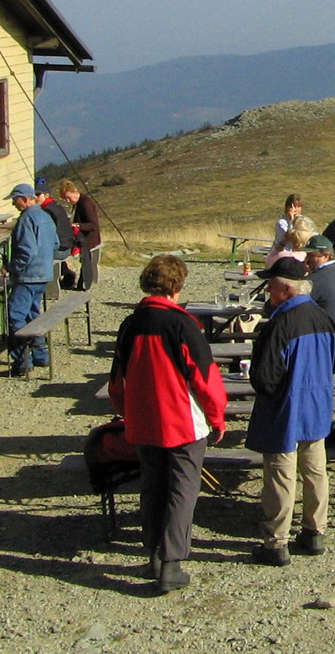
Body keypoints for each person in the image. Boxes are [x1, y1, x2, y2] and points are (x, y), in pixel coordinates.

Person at [110, 254, 226, 594]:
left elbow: (118, 379)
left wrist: (125, 411)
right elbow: (205, 378)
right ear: (177, 286)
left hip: (143, 421)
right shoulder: (182, 324)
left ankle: (155, 554)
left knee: (153, 487)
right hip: (181, 422)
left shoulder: (130, 324)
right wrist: (217, 416)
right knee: (182, 490)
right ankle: (172, 561)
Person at [247, 263, 335, 566]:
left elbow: (263, 377)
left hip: (284, 410)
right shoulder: (322, 318)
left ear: (286, 289)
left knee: (281, 475)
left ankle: (276, 542)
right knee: (316, 470)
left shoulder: (280, 324)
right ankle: (315, 531)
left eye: (271, 286)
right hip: (316, 406)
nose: (268, 291)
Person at [6, 182, 57, 376]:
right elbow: (55, 243)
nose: (14, 205)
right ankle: (40, 355)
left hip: (28, 276)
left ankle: (22, 360)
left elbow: (26, 251)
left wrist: (12, 268)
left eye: (16, 200)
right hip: (44, 274)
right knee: (33, 315)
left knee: (16, 316)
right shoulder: (45, 217)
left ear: (26, 200)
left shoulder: (27, 220)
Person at [298, 236, 335, 351]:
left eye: (311, 255)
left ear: (326, 256)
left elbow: (292, 305)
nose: (307, 260)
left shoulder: (314, 280)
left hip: (322, 343)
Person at [61, 180, 103, 291]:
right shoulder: (79, 202)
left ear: (74, 192)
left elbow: (92, 225)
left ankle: (82, 284)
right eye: (65, 199)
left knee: (85, 262)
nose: (67, 201)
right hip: (84, 237)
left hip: (89, 239)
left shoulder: (85, 203)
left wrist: (78, 225)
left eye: (68, 198)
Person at [39, 183, 76, 281]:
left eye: (38, 195)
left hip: (61, 249)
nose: (35, 197)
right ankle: (67, 273)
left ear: (46, 195)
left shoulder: (47, 210)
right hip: (67, 245)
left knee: (35, 254)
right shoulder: (55, 205)